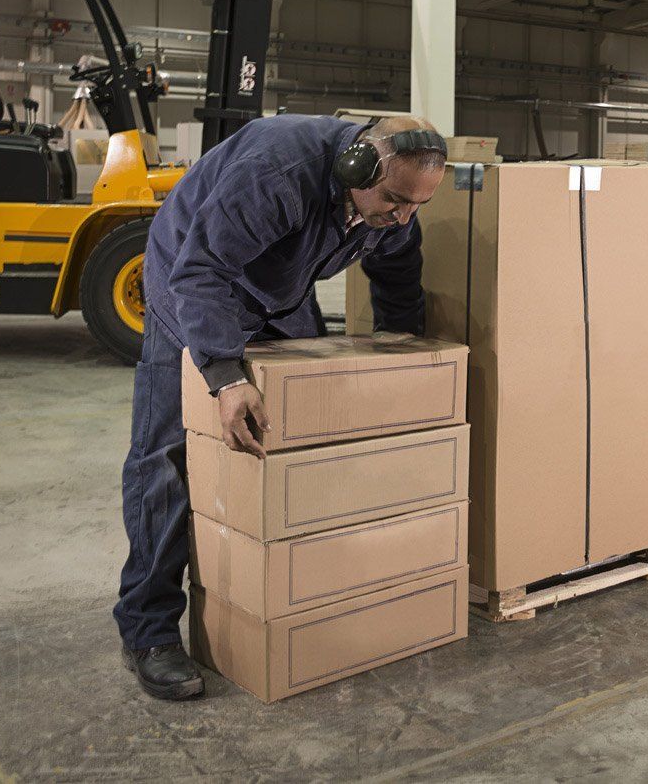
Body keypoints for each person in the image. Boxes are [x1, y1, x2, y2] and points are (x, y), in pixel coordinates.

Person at [115, 113, 448, 699]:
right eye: (395, 201)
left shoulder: (392, 203)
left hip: (275, 288)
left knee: (295, 437)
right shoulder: (275, 174)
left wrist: (403, 357)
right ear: (356, 167)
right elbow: (202, 271)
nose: (402, 217)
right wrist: (222, 374)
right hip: (191, 281)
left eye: (416, 206)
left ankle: (295, 591)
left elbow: (398, 273)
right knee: (168, 456)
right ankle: (149, 629)